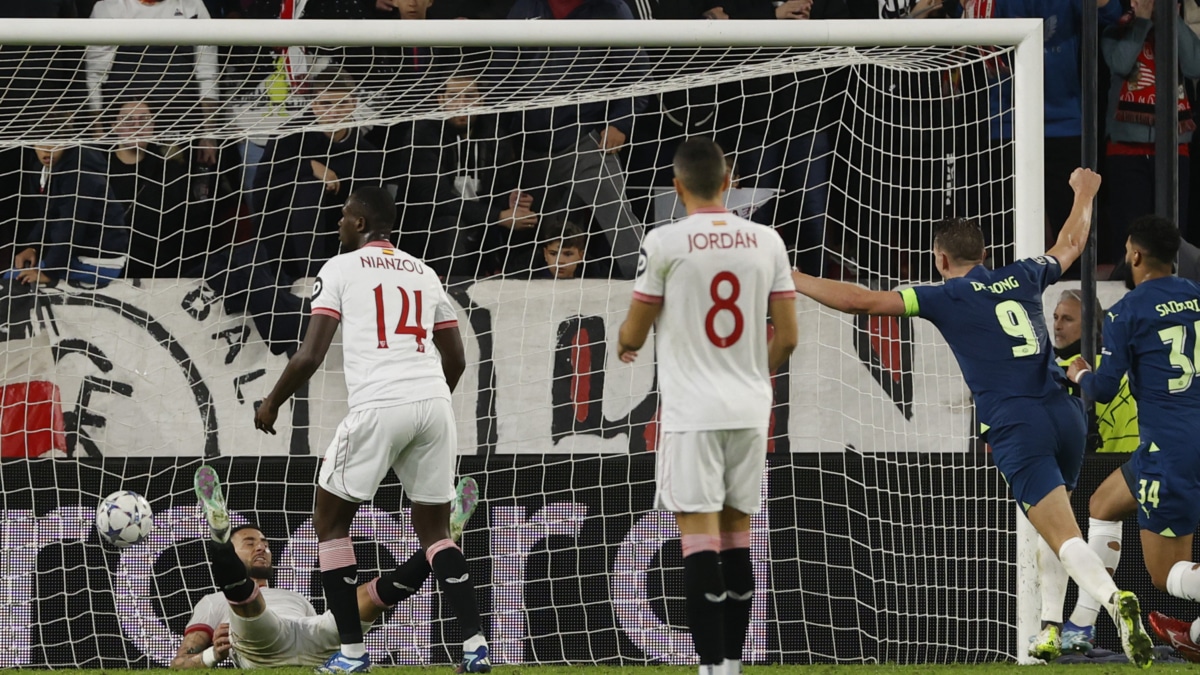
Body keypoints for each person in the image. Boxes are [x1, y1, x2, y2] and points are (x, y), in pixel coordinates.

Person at [790, 168, 1156, 668]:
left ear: (940, 259)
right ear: (983, 255)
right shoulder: (1023, 273)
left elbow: (860, 300)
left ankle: (1115, 602)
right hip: (1066, 413)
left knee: (1062, 533)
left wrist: (791, 278)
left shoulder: (943, 295)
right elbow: (1071, 242)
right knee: (1053, 522)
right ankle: (1051, 627)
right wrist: (1084, 193)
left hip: (1015, 423)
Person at [253, 187, 490, 674]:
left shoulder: (339, 268)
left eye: (343, 217)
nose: (338, 223)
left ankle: (353, 655)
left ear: (359, 223)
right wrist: (428, 400)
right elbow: (459, 358)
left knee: (330, 523)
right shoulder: (425, 272)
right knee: (436, 533)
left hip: (380, 405)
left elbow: (310, 356)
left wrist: (271, 404)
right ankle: (474, 648)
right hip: (434, 405)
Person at [616, 139, 800, 675]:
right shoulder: (768, 241)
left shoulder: (665, 240)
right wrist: (750, 376)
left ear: (677, 188)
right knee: (738, 536)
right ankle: (733, 665)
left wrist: (625, 342)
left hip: (692, 412)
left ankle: (709, 666)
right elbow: (787, 338)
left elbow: (635, 325)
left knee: (698, 538)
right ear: (728, 182)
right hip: (750, 408)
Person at [174, 465, 479, 670]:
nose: (262, 547)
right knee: (248, 602)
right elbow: (179, 663)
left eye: (265, 542)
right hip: (261, 646)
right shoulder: (212, 603)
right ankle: (220, 538)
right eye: (250, 542)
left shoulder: (295, 599)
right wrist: (214, 654)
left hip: (313, 640)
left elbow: (316, 628)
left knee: (366, 601)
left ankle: (437, 543)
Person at [1066, 216, 1200, 663]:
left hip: (1169, 448)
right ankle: (1080, 627)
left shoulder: (1130, 309)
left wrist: (1080, 371)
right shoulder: (1197, 298)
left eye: (1127, 250)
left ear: (1136, 255)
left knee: (1165, 575)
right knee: (1102, 504)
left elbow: (1103, 390)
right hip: (1179, 441)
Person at [1037, 289, 1139, 657]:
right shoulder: (1049, 364)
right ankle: (1074, 625)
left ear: (1090, 325)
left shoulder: (1103, 371)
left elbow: (1123, 426)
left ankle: (1075, 624)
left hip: (1106, 464)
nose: (1057, 324)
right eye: (1056, 317)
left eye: (1067, 318)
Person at [13, 144, 128, 287]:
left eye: (54, 143)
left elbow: (70, 226)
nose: (47, 150)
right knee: (14, 274)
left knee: (13, 278)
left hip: (99, 263)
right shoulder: (47, 169)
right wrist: (33, 246)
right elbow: (51, 214)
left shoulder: (81, 174)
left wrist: (49, 272)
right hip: (78, 254)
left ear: (67, 143)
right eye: (40, 144)